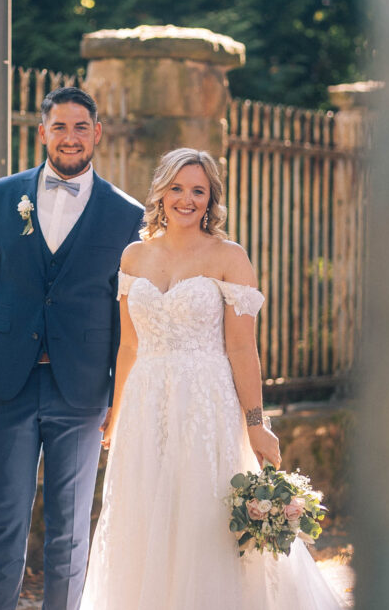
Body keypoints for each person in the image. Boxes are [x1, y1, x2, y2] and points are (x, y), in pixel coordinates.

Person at [0, 86, 144, 610]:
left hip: (82, 391)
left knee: (68, 531)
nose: (69, 137)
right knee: (5, 522)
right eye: (59, 126)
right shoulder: (2, 195)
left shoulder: (127, 216)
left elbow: (128, 319)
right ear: (41, 133)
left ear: (97, 133)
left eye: (80, 126)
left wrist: (120, 397)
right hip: (6, 385)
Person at [81, 148, 344, 609]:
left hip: (207, 404)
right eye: (177, 188)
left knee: (206, 519)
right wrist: (115, 412)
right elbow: (128, 346)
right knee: (142, 519)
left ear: (211, 200)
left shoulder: (229, 256)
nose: (186, 199)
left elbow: (242, 348)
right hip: (146, 406)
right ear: (161, 192)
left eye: (198, 191)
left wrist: (256, 423)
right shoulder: (134, 255)